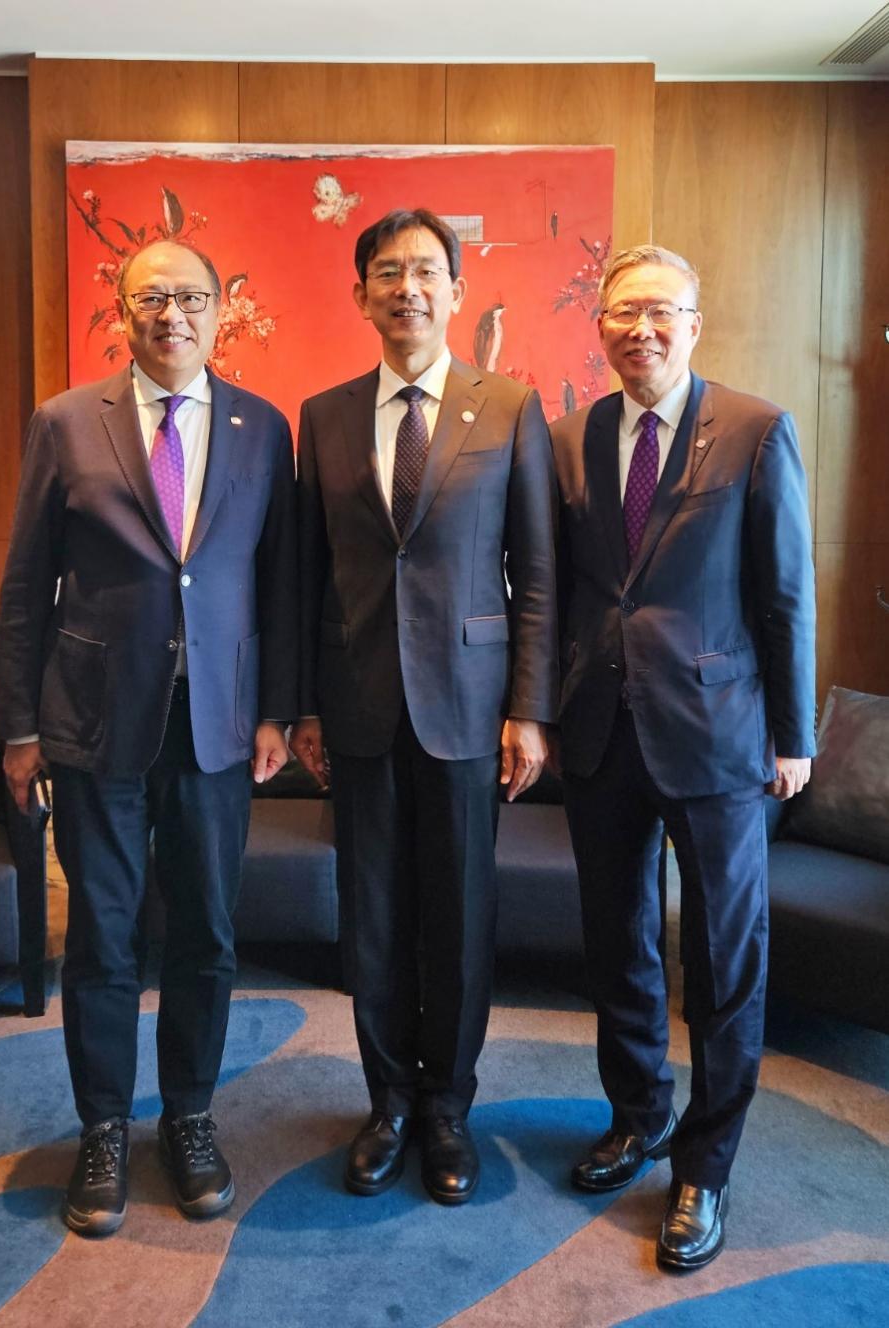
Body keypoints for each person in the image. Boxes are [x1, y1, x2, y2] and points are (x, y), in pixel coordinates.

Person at [0, 240, 297, 1236]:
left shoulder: (263, 427)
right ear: (122, 311)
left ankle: (191, 1116)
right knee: (102, 930)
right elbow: (25, 583)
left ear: (221, 309)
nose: (173, 314)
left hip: (217, 724)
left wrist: (276, 710)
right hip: (94, 722)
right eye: (152, 297)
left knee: (207, 929)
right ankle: (104, 1126)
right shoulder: (66, 422)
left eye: (191, 297)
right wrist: (19, 725)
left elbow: (280, 582)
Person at [550, 244, 816, 1270]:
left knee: (723, 959)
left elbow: (785, 593)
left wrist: (793, 736)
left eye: (661, 311)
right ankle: (639, 1114)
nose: (642, 329)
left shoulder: (753, 429)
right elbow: (562, 589)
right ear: (601, 328)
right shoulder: (570, 437)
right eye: (624, 312)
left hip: (719, 736)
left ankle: (705, 1164)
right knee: (616, 941)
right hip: (600, 732)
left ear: (694, 324)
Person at [292, 208, 558, 1205]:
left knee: (459, 912)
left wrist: (529, 708)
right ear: (361, 294)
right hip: (358, 700)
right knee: (370, 915)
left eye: (426, 272)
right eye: (388, 273)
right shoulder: (322, 415)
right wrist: (302, 704)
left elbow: (536, 572)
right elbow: (306, 572)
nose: (407, 288)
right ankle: (387, 1102)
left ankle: (448, 1105)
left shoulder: (511, 406)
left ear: (455, 291)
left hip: (469, 704)